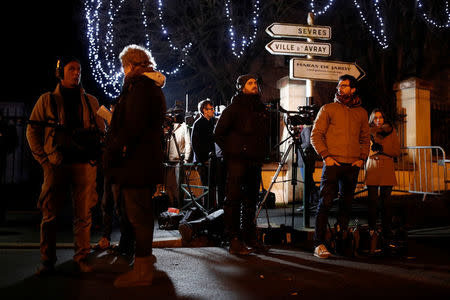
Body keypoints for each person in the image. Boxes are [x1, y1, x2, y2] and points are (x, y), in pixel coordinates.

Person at [26, 57, 105, 274]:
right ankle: (47, 261)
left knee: (84, 215)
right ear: (60, 72)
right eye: (71, 69)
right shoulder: (47, 100)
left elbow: (101, 132)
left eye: (78, 69)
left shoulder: (90, 101)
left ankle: (81, 257)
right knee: (50, 214)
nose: (76, 73)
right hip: (57, 165)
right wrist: (43, 160)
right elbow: (32, 130)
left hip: (84, 165)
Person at [104, 44, 166, 287]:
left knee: (138, 215)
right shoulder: (147, 87)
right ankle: (143, 262)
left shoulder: (140, 88)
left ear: (129, 65)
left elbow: (133, 126)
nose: (122, 72)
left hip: (136, 162)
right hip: (143, 161)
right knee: (140, 214)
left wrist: (115, 145)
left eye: (123, 67)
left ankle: (142, 270)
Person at [310, 74, 370, 259]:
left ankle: (342, 240)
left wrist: (361, 158)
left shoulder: (361, 112)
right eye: (339, 85)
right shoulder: (328, 108)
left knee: (346, 205)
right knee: (325, 203)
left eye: (344, 85)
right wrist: (326, 156)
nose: (340, 88)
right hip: (333, 163)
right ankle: (318, 243)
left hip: (352, 165)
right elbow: (316, 135)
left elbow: (365, 139)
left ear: (353, 89)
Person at [214, 74, 270, 255]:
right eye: (250, 83)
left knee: (251, 200)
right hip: (237, 162)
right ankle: (234, 239)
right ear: (241, 87)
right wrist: (232, 152)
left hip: (254, 160)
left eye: (255, 83)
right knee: (233, 200)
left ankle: (250, 237)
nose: (254, 86)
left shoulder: (260, 108)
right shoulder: (233, 109)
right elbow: (218, 133)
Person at [365, 108, 400, 251]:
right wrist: (373, 150)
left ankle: (386, 232)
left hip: (386, 167)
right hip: (373, 166)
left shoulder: (391, 131)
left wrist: (382, 148)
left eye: (381, 117)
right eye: (376, 117)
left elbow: (396, 151)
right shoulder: (366, 131)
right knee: (372, 202)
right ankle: (372, 230)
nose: (378, 120)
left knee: (386, 203)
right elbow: (364, 149)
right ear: (372, 119)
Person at [191, 99, 216, 190]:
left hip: (210, 160)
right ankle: (207, 204)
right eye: (211, 108)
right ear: (204, 110)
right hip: (202, 162)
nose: (213, 110)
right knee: (207, 187)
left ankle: (211, 204)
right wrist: (202, 160)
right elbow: (195, 144)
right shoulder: (198, 124)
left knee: (212, 186)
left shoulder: (211, 122)